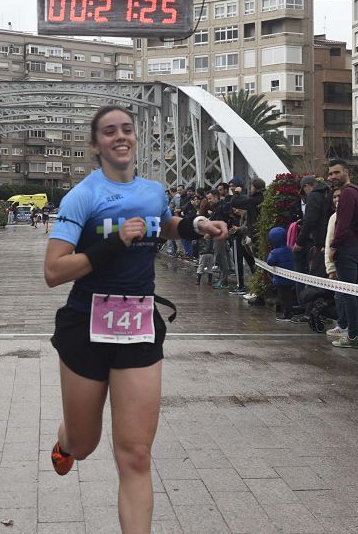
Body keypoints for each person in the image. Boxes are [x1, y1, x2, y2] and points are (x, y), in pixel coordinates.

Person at [44, 106, 228, 533]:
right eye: (109, 131)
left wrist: (198, 225)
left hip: (139, 324)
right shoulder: (82, 197)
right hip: (86, 324)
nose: (120, 136)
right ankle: (68, 439)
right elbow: (53, 271)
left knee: (136, 454)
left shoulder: (153, 191)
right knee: (86, 444)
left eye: (127, 129)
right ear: (96, 145)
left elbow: (162, 224)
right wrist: (113, 243)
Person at [325, 160, 358, 348]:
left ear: (346, 172)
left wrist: (333, 247)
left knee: (348, 293)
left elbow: (342, 224)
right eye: (330, 174)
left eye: (336, 172)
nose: (332, 177)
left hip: (347, 248)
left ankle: (352, 336)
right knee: (356, 292)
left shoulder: (347, 194)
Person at [294, 175, 331, 277]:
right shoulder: (327, 192)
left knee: (317, 275)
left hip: (320, 240)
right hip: (330, 238)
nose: (304, 194)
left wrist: (299, 242)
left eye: (303, 190)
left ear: (307, 186)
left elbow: (310, 220)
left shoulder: (313, 196)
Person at [265, 226, 296, 320]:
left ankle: (287, 314)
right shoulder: (289, 249)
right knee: (289, 296)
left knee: (283, 297)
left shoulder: (275, 252)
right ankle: (290, 311)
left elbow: (270, 262)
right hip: (290, 278)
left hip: (280, 280)